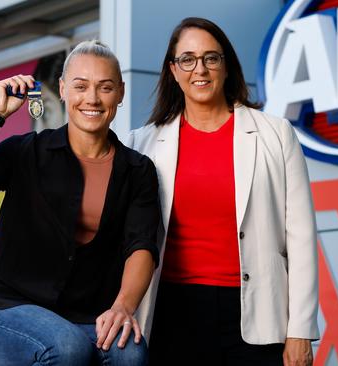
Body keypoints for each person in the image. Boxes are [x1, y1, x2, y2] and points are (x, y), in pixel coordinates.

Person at [0, 40, 160, 366]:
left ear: (121, 93)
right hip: (5, 311)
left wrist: (123, 306)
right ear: (63, 89)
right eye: (81, 86)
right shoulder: (26, 152)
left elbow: (140, 246)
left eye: (106, 87)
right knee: (66, 348)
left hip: (82, 316)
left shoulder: (138, 171)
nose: (93, 99)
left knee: (130, 353)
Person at [128, 17, 319, 366]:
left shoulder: (276, 135)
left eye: (211, 58)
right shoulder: (142, 144)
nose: (199, 69)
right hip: (172, 312)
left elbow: (302, 237)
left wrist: (301, 328)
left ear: (226, 66)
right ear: (173, 70)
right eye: (187, 59)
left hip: (257, 314)